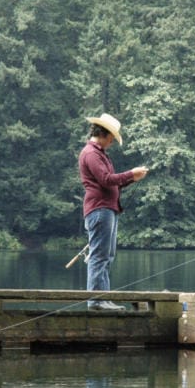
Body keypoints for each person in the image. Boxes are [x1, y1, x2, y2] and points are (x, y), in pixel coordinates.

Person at [78, 114, 148, 311]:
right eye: (111, 138)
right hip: (100, 210)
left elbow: (112, 182)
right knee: (99, 256)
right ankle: (96, 301)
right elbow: (106, 180)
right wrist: (130, 174)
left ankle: (103, 298)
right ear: (104, 134)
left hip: (107, 209)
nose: (112, 142)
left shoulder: (99, 154)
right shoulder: (91, 154)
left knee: (107, 256)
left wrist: (133, 178)